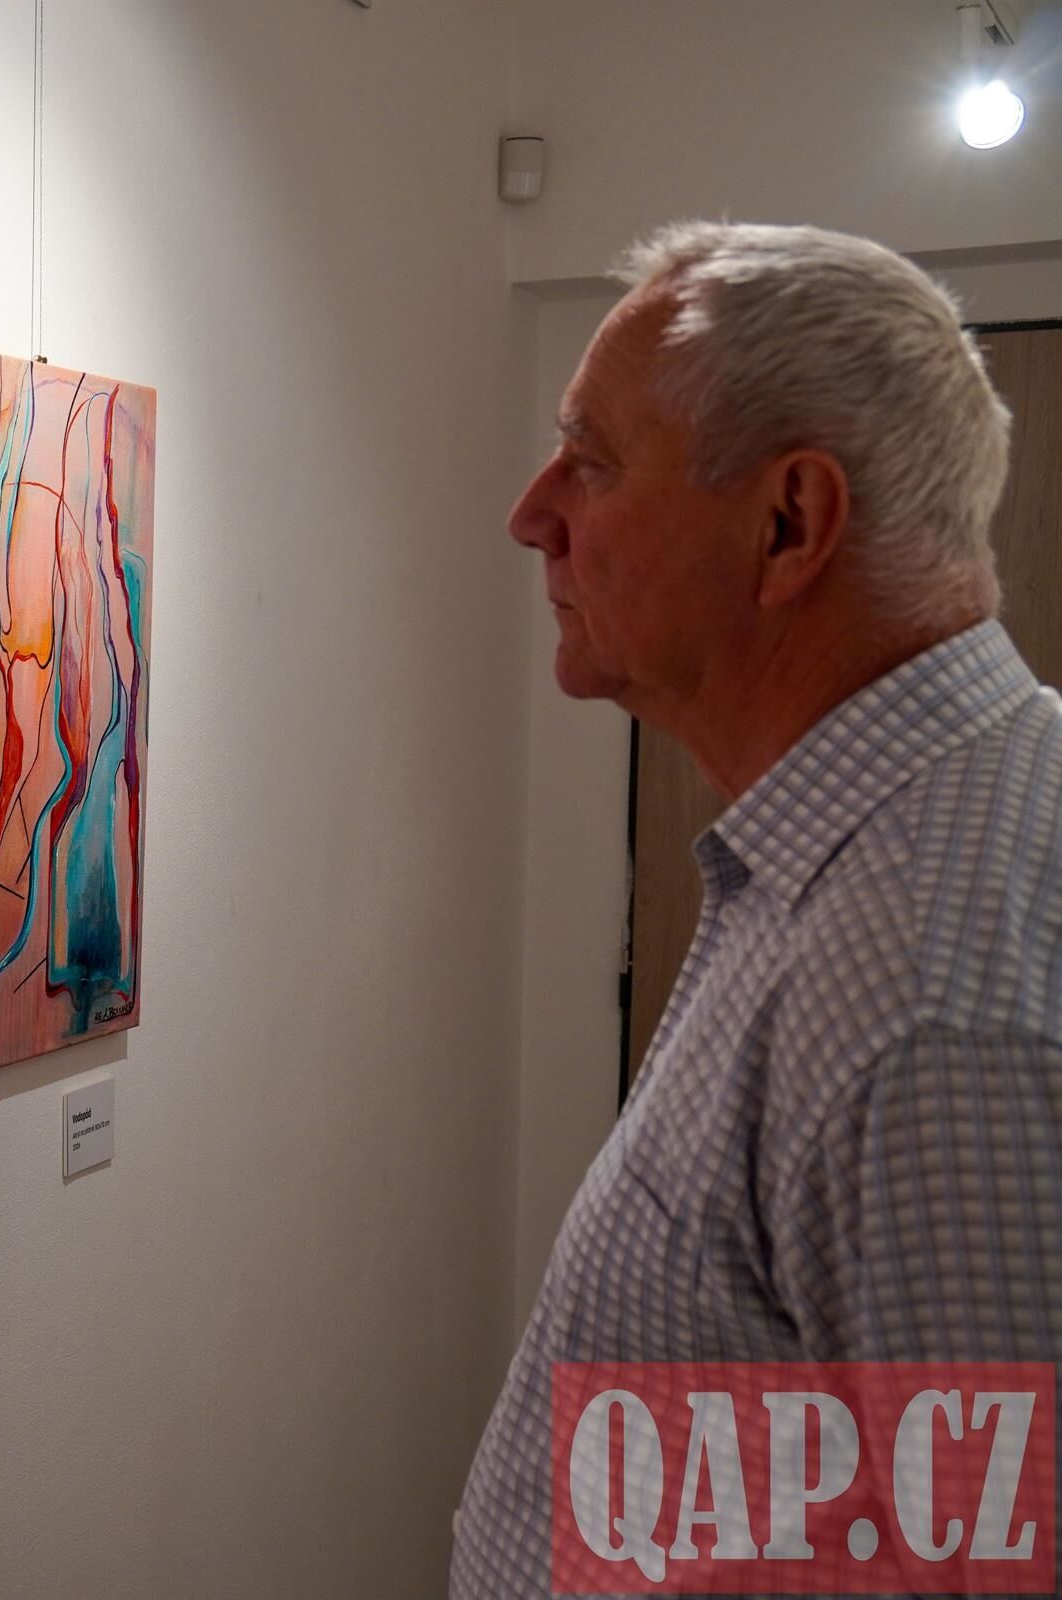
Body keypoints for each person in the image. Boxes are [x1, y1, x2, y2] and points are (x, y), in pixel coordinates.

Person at [450, 221, 1062, 1596]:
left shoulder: (932, 1000)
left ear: (788, 524)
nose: (533, 512)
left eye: (592, 458)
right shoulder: (865, 859)